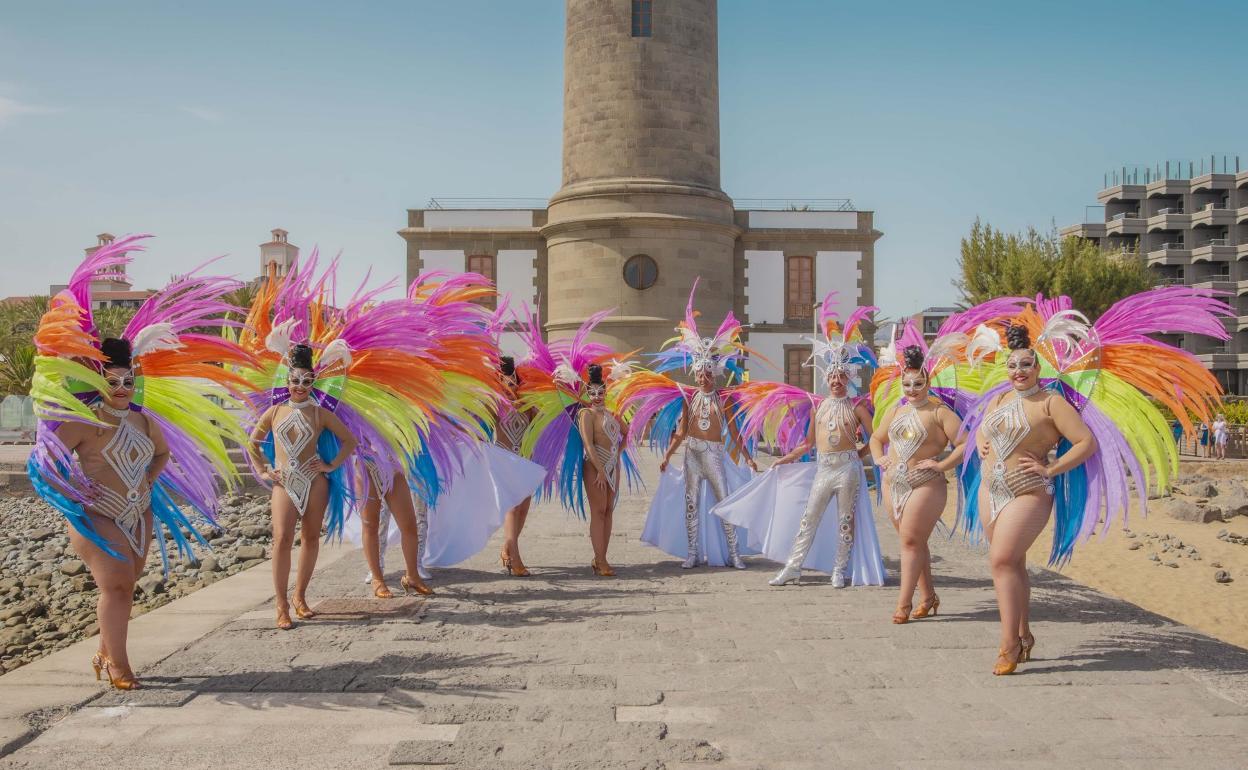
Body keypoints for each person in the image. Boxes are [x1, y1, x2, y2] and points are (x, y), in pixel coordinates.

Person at [958, 287, 1230, 675]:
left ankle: (1008, 646)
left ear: (1039, 367)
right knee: (1012, 563)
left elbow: (1086, 442)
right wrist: (983, 443)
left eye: (1026, 365)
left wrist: (1051, 470)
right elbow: (984, 428)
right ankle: (1023, 634)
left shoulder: (1052, 402)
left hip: (1029, 493)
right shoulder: (999, 400)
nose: (1018, 371)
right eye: (1013, 365)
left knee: (1000, 559)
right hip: (990, 490)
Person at [28, 234, 248, 689]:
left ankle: (104, 652)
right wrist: (74, 491)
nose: (122, 388)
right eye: (113, 380)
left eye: (128, 380)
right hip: (95, 515)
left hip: (139, 513)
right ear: (98, 379)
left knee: (126, 587)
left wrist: (149, 479)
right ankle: (119, 668)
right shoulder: (85, 422)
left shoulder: (144, 420)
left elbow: (162, 453)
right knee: (115, 584)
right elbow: (44, 463)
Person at [712, 295, 886, 588]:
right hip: (824, 469)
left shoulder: (857, 408)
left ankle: (839, 569)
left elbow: (878, 435)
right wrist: (785, 459)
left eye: (841, 376)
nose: (836, 381)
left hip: (848, 470)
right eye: (833, 376)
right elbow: (808, 444)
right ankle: (793, 567)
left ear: (848, 378)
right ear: (827, 378)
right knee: (808, 519)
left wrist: (861, 454)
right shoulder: (819, 407)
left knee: (845, 521)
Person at [616, 281, 758, 569]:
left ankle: (734, 553)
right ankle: (692, 552)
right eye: (700, 373)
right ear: (695, 373)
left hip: (714, 454)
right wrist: (668, 455)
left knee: (723, 502)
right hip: (692, 454)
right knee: (691, 503)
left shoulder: (724, 399)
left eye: (708, 373)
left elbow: (733, 432)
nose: (704, 377)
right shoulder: (689, 398)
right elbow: (682, 430)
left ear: (715, 373)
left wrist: (748, 457)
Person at [247, 343, 358, 629]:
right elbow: (252, 444)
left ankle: (299, 596)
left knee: (310, 538)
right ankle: (281, 604)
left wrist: (330, 466)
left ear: (313, 383)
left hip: (315, 483)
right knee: (282, 538)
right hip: (284, 483)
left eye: (306, 381)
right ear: (287, 380)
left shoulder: (320, 414)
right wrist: (263, 470)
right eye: (295, 380)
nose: (300, 386)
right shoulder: (274, 411)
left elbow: (350, 441)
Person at [517, 309, 636, 577]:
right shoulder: (585, 414)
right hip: (594, 468)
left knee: (609, 511)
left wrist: (618, 454)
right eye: (592, 392)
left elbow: (627, 433)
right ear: (586, 392)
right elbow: (589, 445)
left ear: (605, 391)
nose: (597, 395)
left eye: (600, 391)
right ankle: (600, 559)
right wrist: (602, 469)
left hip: (612, 467)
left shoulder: (611, 414)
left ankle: (601, 557)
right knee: (598, 511)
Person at [869, 341, 968, 623]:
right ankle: (928, 597)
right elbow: (876, 438)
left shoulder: (939, 412)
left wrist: (942, 465)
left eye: (918, 383)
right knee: (913, 541)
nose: (912, 389)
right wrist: (879, 458)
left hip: (926, 484)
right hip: (892, 484)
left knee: (911, 540)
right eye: (907, 384)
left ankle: (903, 604)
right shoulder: (896, 411)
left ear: (928, 383)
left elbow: (965, 444)